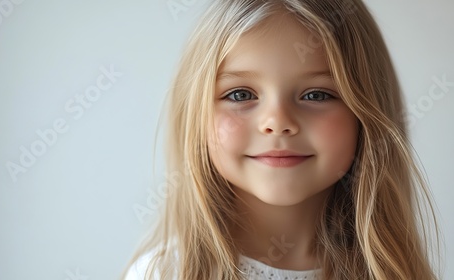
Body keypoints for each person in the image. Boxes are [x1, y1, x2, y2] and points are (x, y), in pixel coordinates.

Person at [122, 0, 441, 279]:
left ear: (366, 115)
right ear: (196, 114)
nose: (277, 122)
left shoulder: (397, 272)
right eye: (240, 94)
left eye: (316, 94)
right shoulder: (164, 273)